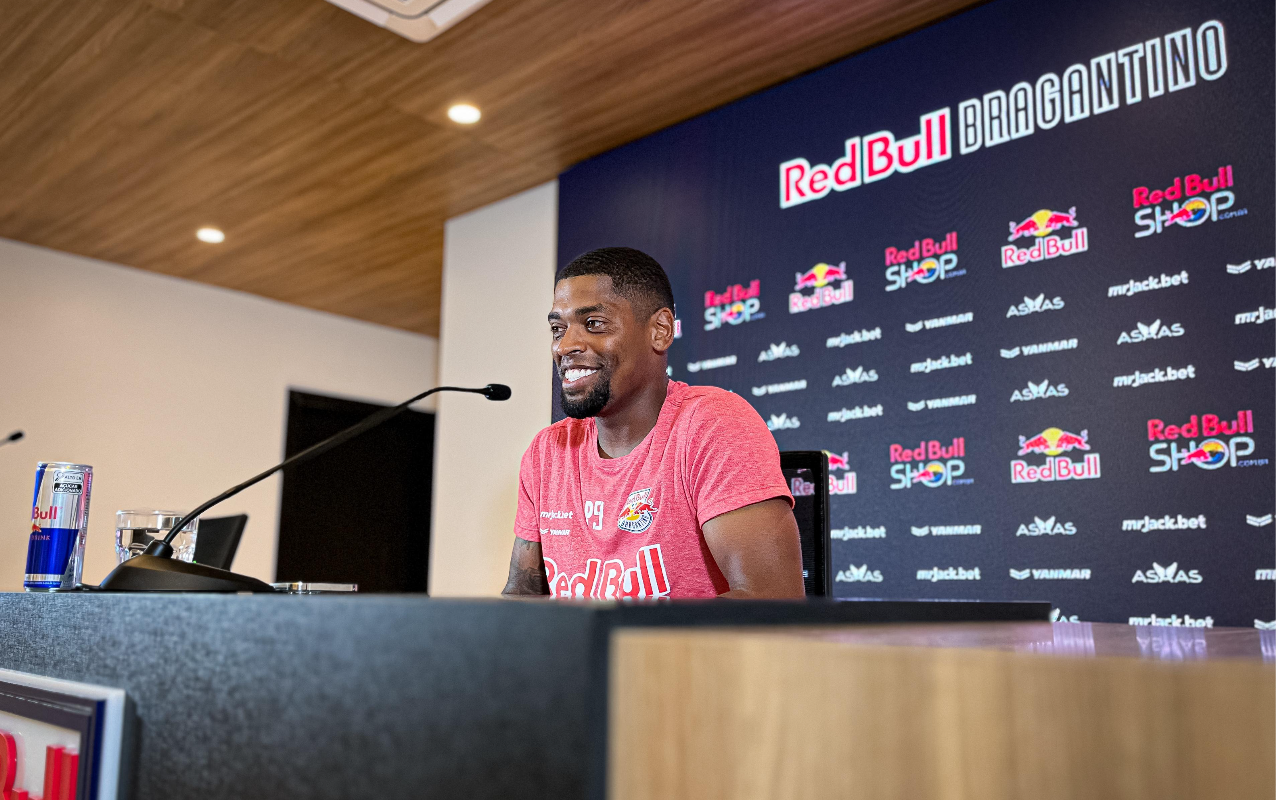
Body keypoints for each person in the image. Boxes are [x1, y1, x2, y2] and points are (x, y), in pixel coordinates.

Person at [502, 246, 805, 599]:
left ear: (660, 330)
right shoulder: (546, 452)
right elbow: (521, 595)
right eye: (558, 328)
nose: (564, 346)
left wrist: (609, 641)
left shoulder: (713, 425)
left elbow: (772, 600)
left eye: (593, 324)